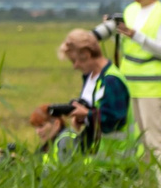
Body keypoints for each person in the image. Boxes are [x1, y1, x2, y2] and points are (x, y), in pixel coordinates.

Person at [31, 29, 134, 159]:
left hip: (116, 157)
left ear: (86, 54)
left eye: (75, 61)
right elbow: (94, 109)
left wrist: (87, 114)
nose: (75, 66)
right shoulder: (90, 77)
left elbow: (113, 119)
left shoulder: (111, 80)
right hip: (97, 155)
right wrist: (82, 117)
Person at [116, 0, 161, 180]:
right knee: (138, 141)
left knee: (155, 140)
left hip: (153, 86)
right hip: (130, 84)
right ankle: (141, 186)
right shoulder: (130, 11)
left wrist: (135, 36)